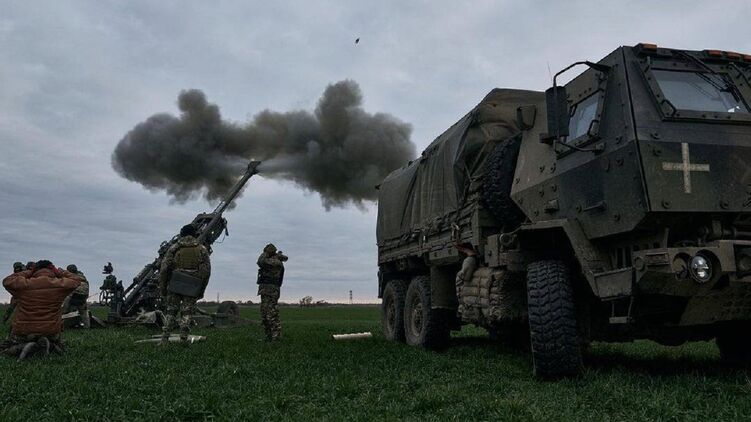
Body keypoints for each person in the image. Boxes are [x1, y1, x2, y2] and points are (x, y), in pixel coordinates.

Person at [1, 260, 81, 361]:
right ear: (52, 270)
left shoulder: (24, 284)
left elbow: (7, 281)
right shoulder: (60, 285)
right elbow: (76, 280)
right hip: (51, 332)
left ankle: (22, 346)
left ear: (35, 270)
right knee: (57, 339)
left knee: (6, 346)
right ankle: (51, 344)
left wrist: (29, 272)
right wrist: (59, 271)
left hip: (24, 332)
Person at [159, 224, 211, 344]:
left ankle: (164, 338)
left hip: (175, 283)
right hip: (192, 285)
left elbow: (164, 269)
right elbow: (206, 272)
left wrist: (163, 287)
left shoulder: (174, 248)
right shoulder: (202, 249)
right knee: (187, 313)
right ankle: (183, 339)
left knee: (171, 311)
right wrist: (201, 289)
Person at [256, 243, 288, 341]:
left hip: (271, 291)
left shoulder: (276, 262)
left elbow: (260, 261)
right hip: (265, 290)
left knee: (271, 314)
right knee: (264, 314)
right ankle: (268, 337)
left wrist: (265, 253)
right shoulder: (273, 260)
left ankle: (276, 338)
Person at [61, 264, 90, 328]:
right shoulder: (83, 277)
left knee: (64, 310)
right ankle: (87, 326)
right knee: (84, 312)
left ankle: (60, 324)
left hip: (73, 295)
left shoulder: (71, 277)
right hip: (83, 296)